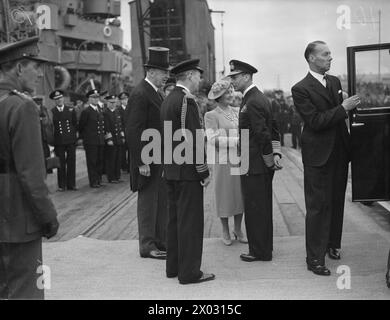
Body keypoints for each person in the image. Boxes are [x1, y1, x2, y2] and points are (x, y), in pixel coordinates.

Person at [291, 41, 361, 276]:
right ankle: (314, 258)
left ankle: (333, 244)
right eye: (325, 54)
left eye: (330, 54)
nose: (330, 58)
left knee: (336, 202)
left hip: (339, 153)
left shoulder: (334, 81)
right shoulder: (300, 89)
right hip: (318, 156)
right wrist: (343, 108)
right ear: (311, 58)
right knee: (318, 207)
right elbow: (316, 121)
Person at [0, 36, 59, 299]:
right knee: (26, 292)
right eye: (36, 66)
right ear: (19, 67)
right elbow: (32, 177)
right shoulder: (21, 107)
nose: (40, 73)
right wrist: (48, 218)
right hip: (17, 219)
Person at [161, 58, 215, 284]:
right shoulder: (186, 101)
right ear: (191, 76)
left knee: (174, 221)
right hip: (187, 172)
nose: (200, 80)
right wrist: (203, 170)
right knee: (190, 223)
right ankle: (190, 273)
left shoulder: (168, 99)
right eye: (199, 76)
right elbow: (192, 139)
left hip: (172, 170)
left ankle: (173, 267)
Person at [228, 59, 282, 263]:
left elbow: (263, 133)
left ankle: (259, 251)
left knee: (255, 208)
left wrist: (270, 160)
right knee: (260, 207)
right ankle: (263, 249)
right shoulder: (256, 98)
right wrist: (275, 154)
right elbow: (274, 127)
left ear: (246, 76)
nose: (232, 81)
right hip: (256, 163)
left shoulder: (253, 100)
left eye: (235, 77)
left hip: (256, 164)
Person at [126, 47, 170, 260]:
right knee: (148, 202)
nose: (166, 76)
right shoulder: (141, 93)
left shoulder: (154, 92)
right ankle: (147, 245)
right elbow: (134, 129)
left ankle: (160, 240)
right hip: (148, 158)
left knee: (160, 200)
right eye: (163, 72)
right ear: (151, 71)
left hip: (158, 156)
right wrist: (141, 161)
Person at [204, 78, 247, 246]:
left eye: (230, 91)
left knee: (240, 194)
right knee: (224, 194)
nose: (230, 95)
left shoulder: (238, 111)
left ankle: (238, 228)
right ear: (218, 97)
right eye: (226, 93)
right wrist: (236, 141)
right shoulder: (211, 115)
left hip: (241, 159)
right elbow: (213, 138)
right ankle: (225, 230)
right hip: (223, 160)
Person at [50, 90, 78, 191]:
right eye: (56, 99)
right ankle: (62, 185)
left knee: (71, 162)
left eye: (60, 98)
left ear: (63, 98)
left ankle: (72, 184)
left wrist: (74, 137)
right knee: (60, 163)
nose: (59, 100)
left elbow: (74, 124)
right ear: (54, 101)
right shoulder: (52, 112)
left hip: (70, 139)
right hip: (59, 141)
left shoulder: (70, 110)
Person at [78, 89, 106, 188]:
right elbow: (81, 126)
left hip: (100, 140)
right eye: (93, 97)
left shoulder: (100, 109)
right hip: (91, 141)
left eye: (97, 97)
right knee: (92, 161)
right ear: (89, 99)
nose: (95, 99)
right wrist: (83, 138)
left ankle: (99, 180)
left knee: (100, 160)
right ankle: (93, 181)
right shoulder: (86, 111)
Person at [103, 95, 124, 183]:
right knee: (111, 159)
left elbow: (120, 126)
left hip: (118, 138)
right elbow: (106, 128)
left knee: (118, 158)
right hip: (111, 139)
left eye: (114, 102)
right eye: (111, 102)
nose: (113, 104)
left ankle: (117, 176)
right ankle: (111, 177)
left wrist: (122, 136)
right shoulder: (105, 113)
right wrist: (108, 139)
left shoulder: (117, 112)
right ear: (107, 103)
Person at [118, 91, 130, 173]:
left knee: (131, 151)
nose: (125, 100)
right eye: (122, 99)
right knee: (122, 151)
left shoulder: (131, 108)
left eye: (126, 98)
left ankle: (129, 166)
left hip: (130, 133)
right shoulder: (118, 110)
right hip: (122, 133)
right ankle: (123, 166)